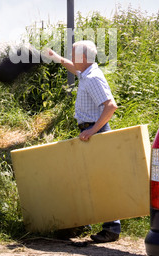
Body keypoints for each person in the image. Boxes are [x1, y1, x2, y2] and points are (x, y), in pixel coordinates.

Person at [44, 40, 121, 243]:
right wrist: (55, 57)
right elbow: (72, 67)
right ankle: (85, 224)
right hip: (89, 131)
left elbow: (110, 106)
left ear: (83, 58)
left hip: (96, 132)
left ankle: (111, 228)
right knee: (86, 179)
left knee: (101, 180)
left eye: (73, 54)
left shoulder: (93, 77)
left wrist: (93, 130)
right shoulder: (86, 73)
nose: (71, 57)